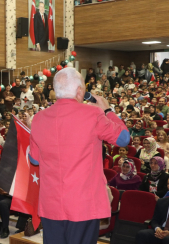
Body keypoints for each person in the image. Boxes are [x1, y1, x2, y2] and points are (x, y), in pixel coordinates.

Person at [29, 67, 130, 244]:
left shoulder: (38, 118)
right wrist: (108, 111)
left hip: (51, 204)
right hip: (83, 204)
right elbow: (123, 138)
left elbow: (34, 159)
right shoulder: (93, 113)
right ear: (79, 91)